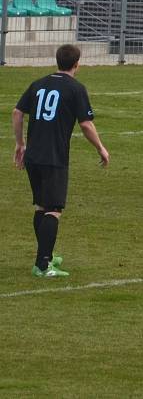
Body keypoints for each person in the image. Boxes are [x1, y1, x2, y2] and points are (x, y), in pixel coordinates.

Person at [12, 44, 110, 277]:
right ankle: (43, 265)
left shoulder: (38, 84)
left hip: (33, 155)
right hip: (54, 157)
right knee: (54, 210)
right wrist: (101, 148)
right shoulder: (76, 89)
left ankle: (45, 254)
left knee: (41, 207)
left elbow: (17, 112)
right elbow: (86, 124)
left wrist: (20, 143)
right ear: (77, 64)